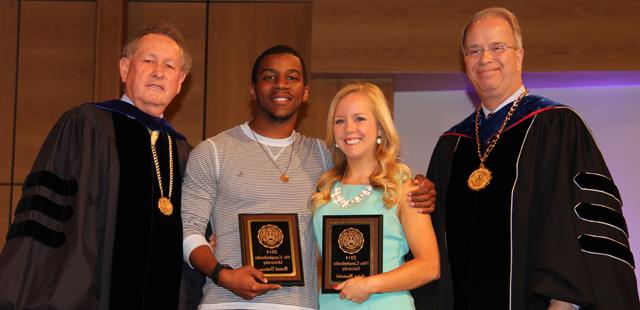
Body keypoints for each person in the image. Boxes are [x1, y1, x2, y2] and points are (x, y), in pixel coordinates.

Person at [412, 7, 639, 310]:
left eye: (497, 47)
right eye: (474, 50)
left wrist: (563, 301)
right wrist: (419, 201)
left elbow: (575, 223)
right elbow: (433, 245)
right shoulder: (451, 146)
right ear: (464, 62)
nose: (485, 58)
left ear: (519, 55)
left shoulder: (556, 126)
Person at [181, 45, 436, 309]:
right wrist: (223, 275)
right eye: (269, 77)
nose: (281, 85)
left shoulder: (321, 157)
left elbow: (372, 170)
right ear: (252, 89)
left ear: (305, 93)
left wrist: (420, 187)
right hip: (227, 303)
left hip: (302, 305)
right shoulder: (212, 152)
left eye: (292, 78)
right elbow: (189, 230)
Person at [0, 23, 197, 309]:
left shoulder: (183, 153)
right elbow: (49, 219)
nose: (158, 72)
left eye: (169, 66)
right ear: (125, 69)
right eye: (149, 61)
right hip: (89, 295)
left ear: (180, 81)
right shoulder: (86, 126)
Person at [312, 82, 440, 309]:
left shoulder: (404, 188)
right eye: (339, 121)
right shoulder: (324, 191)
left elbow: (430, 266)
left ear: (380, 127)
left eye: (359, 118)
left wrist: (370, 285)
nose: (349, 128)